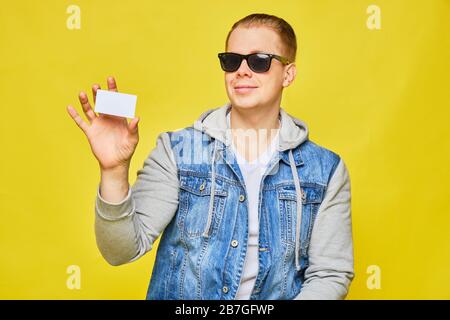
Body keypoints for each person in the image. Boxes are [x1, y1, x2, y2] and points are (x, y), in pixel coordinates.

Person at [67, 13, 354, 300]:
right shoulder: (176, 151)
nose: (241, 71)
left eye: (259, 61)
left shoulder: (326, 171)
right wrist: (114, 170)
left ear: (288, 74)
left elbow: (330, 274)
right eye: (231, 61)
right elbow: (120, 251)